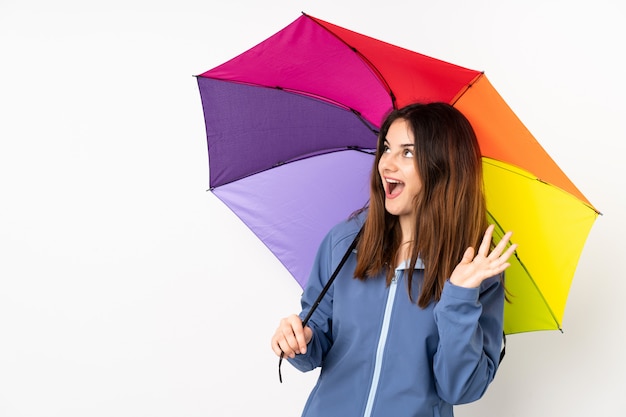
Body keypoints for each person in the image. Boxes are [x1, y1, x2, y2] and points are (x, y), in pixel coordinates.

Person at [271, 102, 517, 417]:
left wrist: (459, 298)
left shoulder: (475, 269)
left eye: (408, 153)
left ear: (443, 166)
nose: (386, 163)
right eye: (387, 148)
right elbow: (316, 340)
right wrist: (297, 339)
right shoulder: (345, 242)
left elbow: (461, 388)